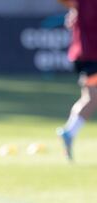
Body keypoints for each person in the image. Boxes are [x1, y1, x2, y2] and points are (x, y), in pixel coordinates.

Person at [57, 0, 97, 161]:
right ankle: (69, 132)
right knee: (92, 96)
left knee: (90, 97)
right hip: (91, 55)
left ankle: (69, 132)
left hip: (84, 54)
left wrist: (74, 12)